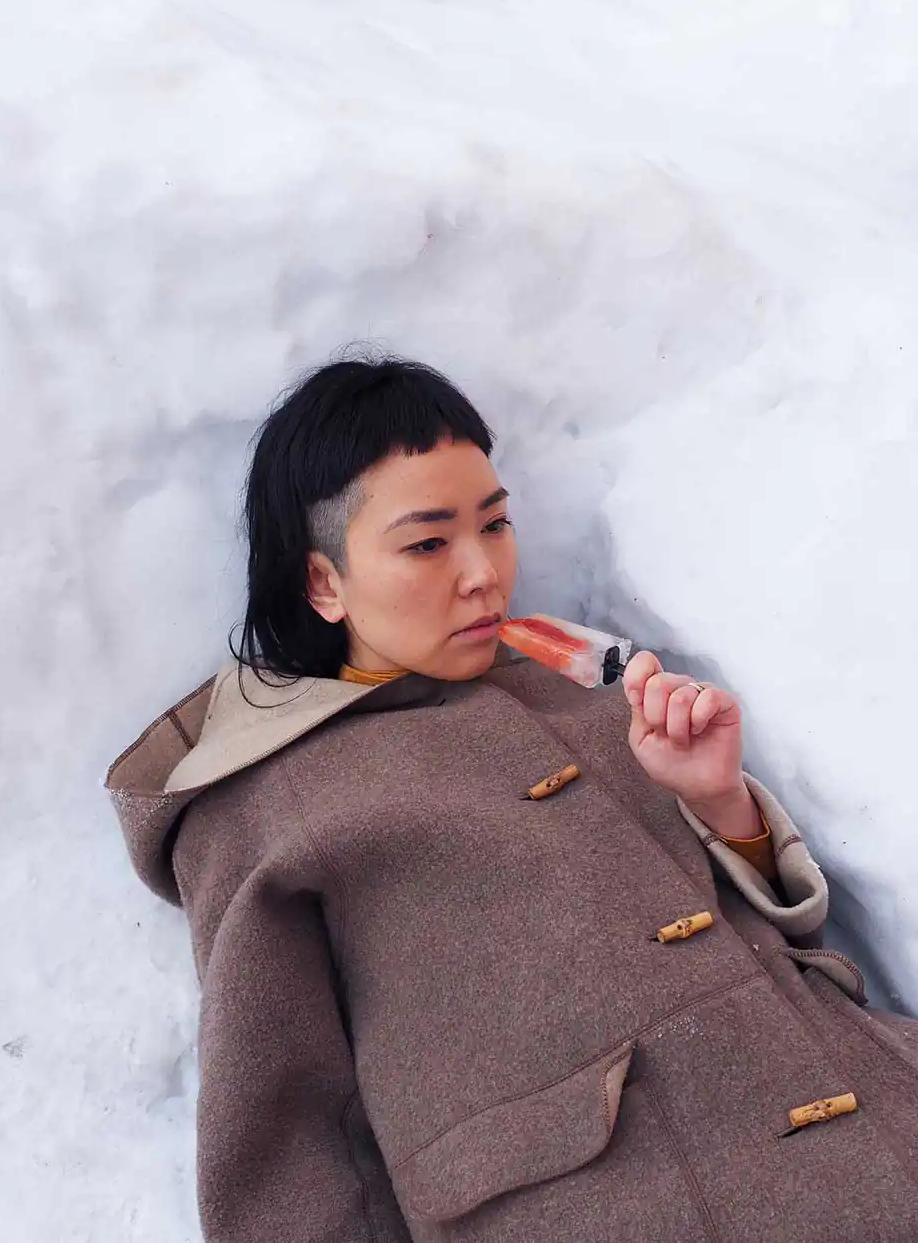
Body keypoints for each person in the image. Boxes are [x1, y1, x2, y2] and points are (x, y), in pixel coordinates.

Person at [107, 356, 918, 1243]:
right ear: (323, 582)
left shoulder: (595, 692)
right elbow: (283, 1141)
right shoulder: (266, 804)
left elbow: (774, 946)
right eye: (427, 544)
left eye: (495, 524)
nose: (483, 573)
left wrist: (720, 804)